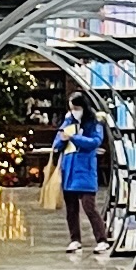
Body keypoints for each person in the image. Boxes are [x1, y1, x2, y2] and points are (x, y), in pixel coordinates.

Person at [54, 106, 112, 258]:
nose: (74, 111)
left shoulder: (94, 123)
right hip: (69, 171)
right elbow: (57, 143)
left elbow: (94, 142)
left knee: (89, 207)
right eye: (71, 107)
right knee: (71, 209)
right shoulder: (68, 121)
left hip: (85, 171)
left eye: (76, 107)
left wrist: (73, 137)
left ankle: (102, 239)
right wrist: (63, 139)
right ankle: (75, 239)